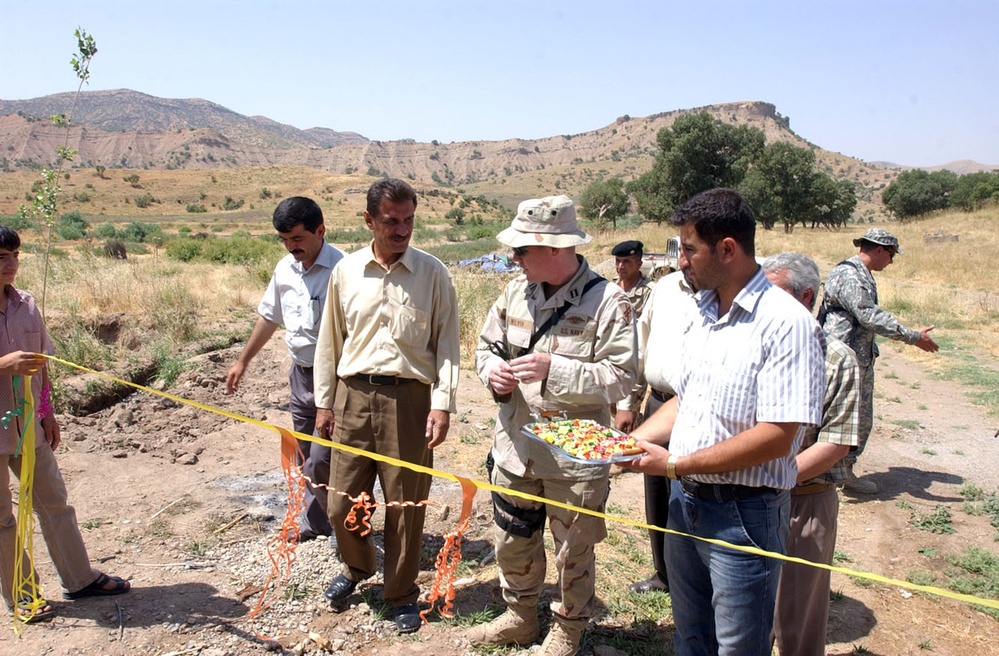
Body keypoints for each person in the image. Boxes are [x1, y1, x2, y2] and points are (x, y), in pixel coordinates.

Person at [624, 188, 825, 656]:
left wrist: (675, 465)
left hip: (744, 515)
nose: (681, 262)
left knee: (738, 647)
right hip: (685, 503)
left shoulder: (786, 324)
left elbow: (777, 437)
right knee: (691, 638)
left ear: (728, 249)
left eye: (689, 249)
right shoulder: (702, 311)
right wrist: (625, 444)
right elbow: (687, 402)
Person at [467, 195, 638, 656]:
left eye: (522, 250)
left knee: (573, 552)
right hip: (516, 448)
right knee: (512, 539)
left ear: (556, 249)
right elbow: (485, 348)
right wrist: (492, 372)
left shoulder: (609, 302)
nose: (513, 258)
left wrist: (553, 370)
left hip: (573, 457)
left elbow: (622, 377)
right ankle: (520, 617)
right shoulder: (513, 292)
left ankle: (567, 630)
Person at [313, 178, 459, 635]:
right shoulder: (346, 271)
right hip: (352, 398)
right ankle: (357, 568)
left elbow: (448, 346)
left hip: (411, 402)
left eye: (408, 220)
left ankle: (400, 593)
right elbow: (329, 342)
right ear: (369, 220)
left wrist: (442, 404)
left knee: (405, 505)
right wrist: (324, 403)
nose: (401, 230)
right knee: (341, 504)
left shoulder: (433, 273)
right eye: (391, 221)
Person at [0, 225, 130, 624]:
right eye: (3, 258)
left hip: (29, 425)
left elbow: (43, 366)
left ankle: (79, 578)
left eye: (16, 256)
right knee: (2, 518)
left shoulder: (26, 304)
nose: (12, 265)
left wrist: (47, 412)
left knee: (54, 502)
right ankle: (22, 595)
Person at [225, 196, 344, 540]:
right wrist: (243, 360)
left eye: (298, 239)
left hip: (335, 380)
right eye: (285, 240)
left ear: (320, 231)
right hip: (300, 375)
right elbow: (269, 317)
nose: (291, 247)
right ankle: (315, 523)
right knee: (306, 452)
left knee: (324, 458)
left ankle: (345, 529)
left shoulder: (344, 271)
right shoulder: (284, 269)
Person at [764, 252, 860, 656]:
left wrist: (771, 478)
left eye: (773, 294)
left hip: (802, 502)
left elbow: (835, 444)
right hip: (743, 499)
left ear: (805, 297)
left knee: (796, 625)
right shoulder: (755, 344)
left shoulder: (836, 359)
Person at [819, 228, 939, 494]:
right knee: (848, 419)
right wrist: (912, 336)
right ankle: (831, 475)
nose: (892, 261)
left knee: (858, 419)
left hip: (856, 358)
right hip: (845, 361)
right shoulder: (850, 275)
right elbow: (868, 316)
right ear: (880, 249)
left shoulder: (860, 274)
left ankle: (840, 471)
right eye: (892, 254)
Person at [614, 269, 696, 594]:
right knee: (658, 499)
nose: (683, 258)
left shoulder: (728, 289)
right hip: (657, 404)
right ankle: (664, 574)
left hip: (694, 410)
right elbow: (641, 345)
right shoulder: (665, 287)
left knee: (690, 495)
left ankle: (691, 581)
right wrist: (629, 403)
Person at [611, 240, 654, 318]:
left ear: (639, 264)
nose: (620, 266)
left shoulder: (649, 291)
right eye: (618, 261)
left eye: (626, 261)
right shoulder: (612, 286)